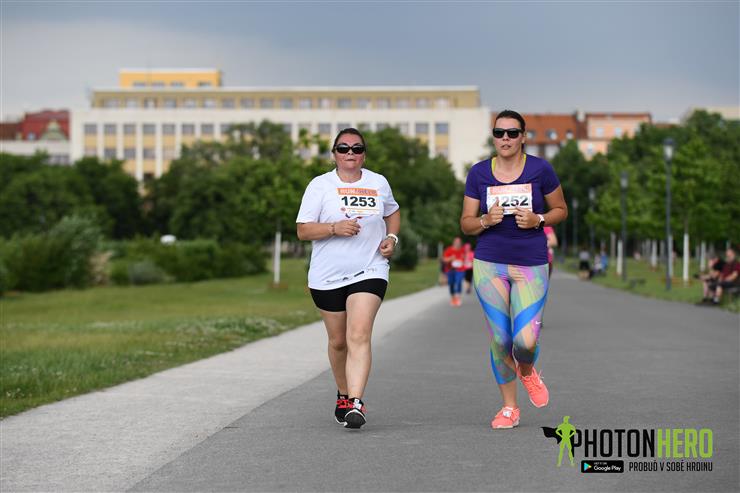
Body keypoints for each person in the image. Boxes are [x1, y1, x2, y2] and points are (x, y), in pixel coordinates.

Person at [460, 109, 567, 430]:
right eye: (499, 133)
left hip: (530, 263)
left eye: (512, 133)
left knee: (525, 342)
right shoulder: (479, 173)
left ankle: (528, 370)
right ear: (493, 137)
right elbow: (465, 224)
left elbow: (561, 209)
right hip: (489, 264)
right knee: (500, 338)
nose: (505, 138)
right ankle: (509, 408)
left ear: (523, 137)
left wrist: (539, 219)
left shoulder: (540, 169)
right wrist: (484, 220)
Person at [296, 128, 400, 429]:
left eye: (357, 148)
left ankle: (356, 402)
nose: (350, 153)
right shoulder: (320, 185)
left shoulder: (378, 182)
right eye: (343, 148)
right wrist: (334, 228)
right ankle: (343, 393)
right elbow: (303, 230)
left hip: (370, 268)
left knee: (359, 334)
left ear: (364, 154)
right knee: (339, 341)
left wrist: (391, 238)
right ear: (334, 155)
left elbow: (393, 213)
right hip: (327, 275)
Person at [443, 237, 466, 306]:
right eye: (456, 242)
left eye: (459, 242)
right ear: (453, 243)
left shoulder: (462, 250)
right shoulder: (449, 250)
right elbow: (444, 260)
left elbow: (465, 259)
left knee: (458, 281)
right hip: (450, 269)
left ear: (460, 243)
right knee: (451, 283)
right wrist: (451, 258)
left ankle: (458, 298)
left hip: (460, 269)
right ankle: (453, 298)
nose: (458, 243)